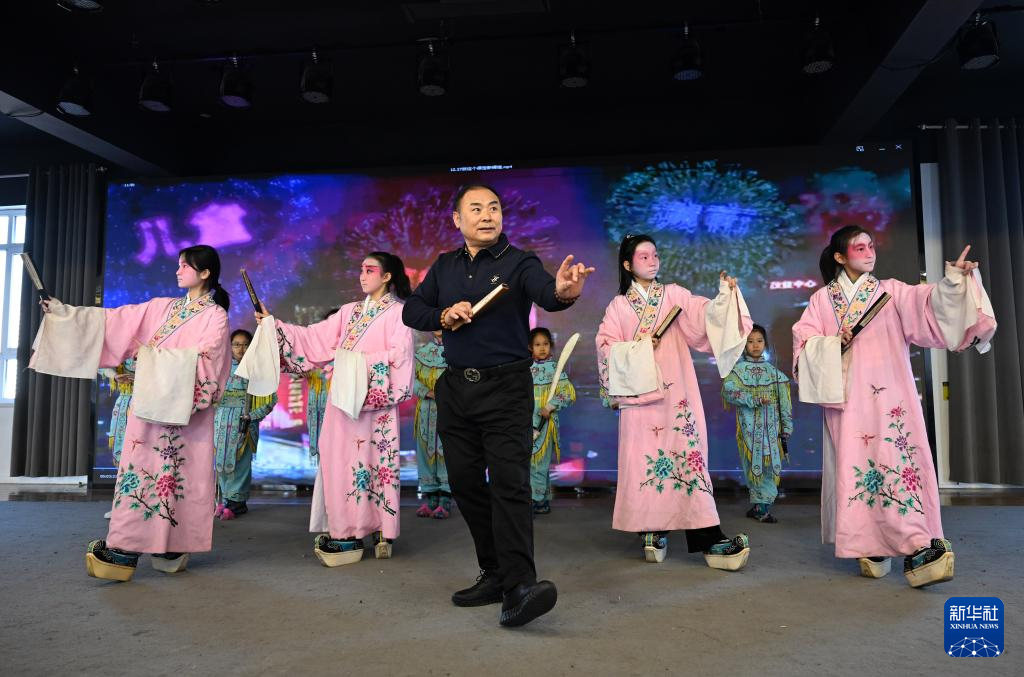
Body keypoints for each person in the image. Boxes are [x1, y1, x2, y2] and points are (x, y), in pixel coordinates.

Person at [403, 184, 594, 627]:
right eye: (476, 209)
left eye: (493, 208)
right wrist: (442, 315)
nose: (487, 215)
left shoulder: (519, 262)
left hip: (507, 389)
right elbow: (413, 309)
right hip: (456, 389)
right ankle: (494, 572)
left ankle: (520, 587)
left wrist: (565, 291)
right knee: (465, 484)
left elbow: (549, 293)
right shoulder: (445, 266)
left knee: (511, 485)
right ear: (458, 219)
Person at [793, 226, 996, 586]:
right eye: (859, 248)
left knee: (897, 462)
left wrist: (952, 281)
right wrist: (831, 343)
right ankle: (871, 545)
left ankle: (917, 543)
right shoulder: (822, 301)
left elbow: (930, 303)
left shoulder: (892, 292)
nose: (869, 252)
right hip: (848, 402)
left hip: (891, 397)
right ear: (840, 257)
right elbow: (803, 343)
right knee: (858, 468)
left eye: (871, 246)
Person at [32, 244, 231, 581]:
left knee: (178, 478)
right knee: (140, 474)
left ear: (205, 273)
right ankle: (143, 546)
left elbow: (209, 360)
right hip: (150, 406)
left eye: (185, 265)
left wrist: (151, 358)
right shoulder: (161, 308)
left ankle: (154, 547)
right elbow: (115, 321)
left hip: (185, 413)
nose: (178, 270)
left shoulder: (215, 316)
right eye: (179, 264)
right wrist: (64, 314)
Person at [596, 234, 752, 569]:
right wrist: (639, 348)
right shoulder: (618, 307)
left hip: (677, 396)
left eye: (655, 255)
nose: (653, 261)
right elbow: (605, 347)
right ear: (627, 264)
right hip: (641, 403)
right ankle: (652, 529)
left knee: (687, 459)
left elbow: (705, 315)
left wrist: (725, 298)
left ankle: (704, 536)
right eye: (644, 256)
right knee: (646, 463)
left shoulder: (675, 295)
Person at [255, 252, 414, 566]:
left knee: (374, 464)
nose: (362, 275)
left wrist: (352, 364)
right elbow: (314, 338)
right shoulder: (348, 312)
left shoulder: (399, 313)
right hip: (342, 403)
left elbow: (400, 357)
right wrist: (275, 326)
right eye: (361, 269)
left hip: (375, 408)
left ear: (387, 277)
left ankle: (374, 528)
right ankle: (348, 528)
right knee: (339, 462)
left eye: (370, 270)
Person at [722, 324, 792, 523]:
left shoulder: (774, 373)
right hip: (749, 428)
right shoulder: (738, 371)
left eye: (759, 341)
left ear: (765, 344)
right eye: (750, 341)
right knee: (753, 464)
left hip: (772, 430)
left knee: (771, 464)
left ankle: (762, 506)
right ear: (744, 345)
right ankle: (759, 505)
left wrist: (787, 426)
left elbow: (784, 403)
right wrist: (752, 399)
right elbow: (729, 391)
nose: (755, 345)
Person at [213, 329, 278, 520]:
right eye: (236, 344)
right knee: (222, 461)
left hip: (244, 422)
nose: (241, 349)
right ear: (229, 346)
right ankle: (225, 500)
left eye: (245, 345)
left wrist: (252, 416)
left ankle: (237, 503)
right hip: (221, 422)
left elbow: (271, 399)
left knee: (240, 462)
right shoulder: (220, 367)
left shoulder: (257, 369)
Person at [527, 327, 575, 515]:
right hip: (528, 422)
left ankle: (537, 500)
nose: (542, 348)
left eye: (545, 344)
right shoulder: (525, 369)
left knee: (539, 462)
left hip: (546, 425)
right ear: (530, 347)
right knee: (531, 462)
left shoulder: (555, 369)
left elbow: (567, 393)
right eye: (537, 344)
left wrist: (551, 405)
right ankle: (542, 498)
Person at [413, 330, 453, 519]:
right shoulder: (422, 353)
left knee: (447, 450)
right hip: (425, 412)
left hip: (450, 409)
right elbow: (409, 379)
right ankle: (431, 498)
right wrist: (426, 392)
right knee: (425, 451)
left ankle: (446, 498)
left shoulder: (458, 351)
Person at [100, 358, 135, 520]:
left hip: (150, 403)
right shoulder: (122, 346)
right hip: (125, 402)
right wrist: (114, 376)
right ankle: (122, 505)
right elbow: (103, 363)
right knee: (123, 457)